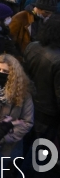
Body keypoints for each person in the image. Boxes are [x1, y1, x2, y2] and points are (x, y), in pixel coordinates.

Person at [23, 14, 60, 166]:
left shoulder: (32, 47)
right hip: (48, 112)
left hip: (29, 102)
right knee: (41, 148)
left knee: (25, 142)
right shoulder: (58, 60)